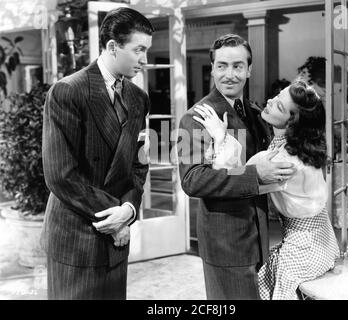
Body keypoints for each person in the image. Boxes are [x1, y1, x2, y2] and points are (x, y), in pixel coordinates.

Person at [41, 7, 153, 300]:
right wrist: (113, 218)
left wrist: (128, 211)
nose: (145, 60)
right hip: (76, 236)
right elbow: (60, 175)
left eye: (147, 51)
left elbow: (138, 165)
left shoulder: (138, 98)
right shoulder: (68, 91)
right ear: (113, 47)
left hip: (116, 237)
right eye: (139, 50)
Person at [193, 79, 341, 300]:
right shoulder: (296, 146)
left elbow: (232, 176)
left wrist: (220, 136)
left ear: (292, 123)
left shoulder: (282, 160)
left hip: (304, 248)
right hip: (323, 238)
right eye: (277, 96)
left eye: (279, 106)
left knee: (270, 287)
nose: (270, 102)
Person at [177, 34, 296, 300]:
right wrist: (255, 176)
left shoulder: (254, 113)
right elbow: (193, 179)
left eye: (238, 66)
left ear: (249, 69)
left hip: (259, 237)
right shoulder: (195, 117)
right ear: (213, 68)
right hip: (226, 242)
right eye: (222, 66)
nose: (229, 74)